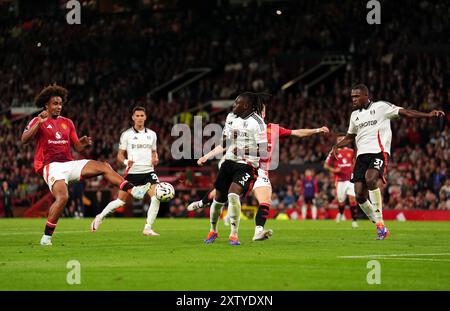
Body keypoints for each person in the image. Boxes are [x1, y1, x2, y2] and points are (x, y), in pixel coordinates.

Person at [21, 84, 151, 246]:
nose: (59, 106)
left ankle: (133, 190)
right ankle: (46, 237)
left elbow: (77, 147)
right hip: (50, 166)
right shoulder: (37, 120)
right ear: (46, 104)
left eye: (60, 103)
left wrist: (82, 143)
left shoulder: (67, 123)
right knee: (63, 197)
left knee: (104, 166)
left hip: (69, 164)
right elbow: (24, 139)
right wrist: (39, 124)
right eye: (55, 103)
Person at [189, 101, 329, 240]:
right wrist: (208, 156)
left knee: (265, 200)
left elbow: (296, 133)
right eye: (259, 111)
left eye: (262, 111)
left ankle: (258, 232)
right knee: (219, 193)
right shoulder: (244, 128)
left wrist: (317, 130)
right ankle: (202, 203)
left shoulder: (273, 129)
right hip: (244, 167)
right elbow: (226, 144)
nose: (261, 114)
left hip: (261, 172)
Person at [332, 84, 445, 240]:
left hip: (378, 152)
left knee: (371, 179)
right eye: (352, 97)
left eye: (357, 96)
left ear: (366, 95)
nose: (354, 99)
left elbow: (405, 112)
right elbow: (350, 136)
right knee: (359, 195)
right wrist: (336, 146)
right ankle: (381, 226)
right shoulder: (354, 116)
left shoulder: (381, 107)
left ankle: (379, 224)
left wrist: (428, 115)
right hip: (361, 156)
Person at [202, 92, 269, 246]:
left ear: (245, 105)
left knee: (233, 194)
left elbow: (264, 151)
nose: (233, 106)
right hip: (229, 162)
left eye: (236, 103)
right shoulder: (231, 118)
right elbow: (226, 142)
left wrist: (247, 151)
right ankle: (213, 231)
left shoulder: (258, 123)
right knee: (218, 199)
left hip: (246, 166)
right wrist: (208, 156)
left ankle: (233, 235)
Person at [91, 106, 161, 236]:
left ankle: (148, 227)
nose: (140, 118)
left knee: (156, 198)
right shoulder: (126, 135)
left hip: (148, 171)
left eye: (142, 116)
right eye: (137, 116)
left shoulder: (152, 134)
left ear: (145, 117)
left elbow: (154, 152)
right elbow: (120, 155)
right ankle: (99, 217)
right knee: (120, 201)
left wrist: (155, 158)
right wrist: (125, 162)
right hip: (133, 172)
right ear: (133, 117)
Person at [324, 134, 359, 228]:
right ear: (336, 141)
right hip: (340, 180)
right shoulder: (334, 152)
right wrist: (334, 170)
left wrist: (354, 171)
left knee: (352, 200)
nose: (341, 141)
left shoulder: (351, 151)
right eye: (339, 139)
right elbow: (326, 165)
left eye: (343, 139)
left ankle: (354, 221)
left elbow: (354, 163)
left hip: (350, 179)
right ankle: (340, 213)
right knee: (341, 202)